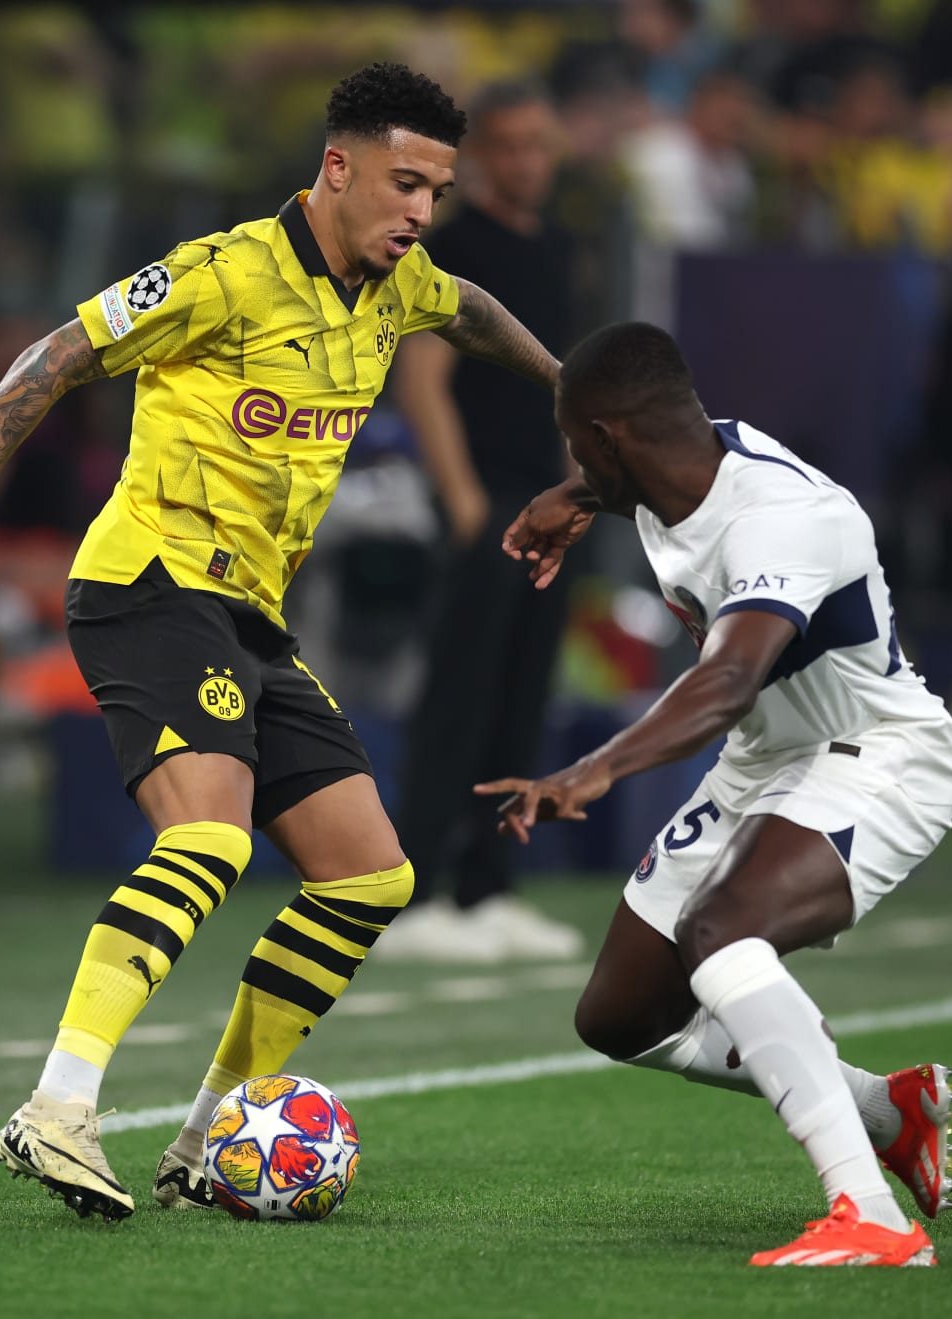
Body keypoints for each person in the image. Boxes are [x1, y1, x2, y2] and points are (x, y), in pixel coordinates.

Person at [0, 63, 562, 1222]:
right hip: (148, 584)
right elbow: (50, 359)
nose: (420, 214)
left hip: (250, 613)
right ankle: (57, 1106)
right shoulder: (222, 274)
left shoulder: (396, 287)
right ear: (336, 168)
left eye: (437, 193)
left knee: (369, 873)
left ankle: (205, 1138)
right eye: (405, 185)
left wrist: (573, 395)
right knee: (209, 841)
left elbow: (475, 312)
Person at [480, 322, 952, 1267]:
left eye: (580, 447)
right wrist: (576, 494)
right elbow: (654, 483)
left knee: (722, 933)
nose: (576, 462)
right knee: (619, 1016)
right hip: (762, 762)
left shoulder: (780, 518)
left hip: (877, 752)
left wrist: (598, 768)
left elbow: (728, 681)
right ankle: (886, 1108)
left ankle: (871, 1215)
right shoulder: (680, 458)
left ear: (612, 437)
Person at [386, 82, 584, 963]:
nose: (525, 163)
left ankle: (490, 890)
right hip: (486, 501)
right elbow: (422, 378)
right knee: (458, 699)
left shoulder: (559, 250)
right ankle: (420, 889)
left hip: (551, 501)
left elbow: (569, 384)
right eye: (508, 147)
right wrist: (465, 504)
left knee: (522, 696)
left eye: (538, 145)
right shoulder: (452, 246)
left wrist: (581, 485)